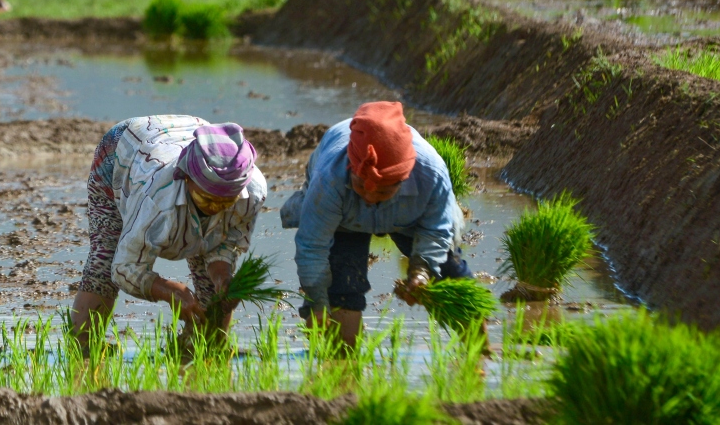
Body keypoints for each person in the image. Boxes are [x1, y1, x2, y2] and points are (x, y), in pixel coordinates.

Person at [70, 115, 267, 353]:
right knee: (106, 255)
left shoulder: (252, 190)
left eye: (225, 202)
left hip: (190, 135)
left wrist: (221, 275)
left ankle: (195, 351)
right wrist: (170, 291)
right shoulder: (157, 197)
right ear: (186, 177)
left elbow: (224, 243)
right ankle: (82, 346)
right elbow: (124, 268)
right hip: (124, 149)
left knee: (215, 300)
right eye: (207, 199)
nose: (215, 209)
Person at [283, 101, 471, 347]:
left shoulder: (430, 174)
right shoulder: (330, 178)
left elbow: (436, 230)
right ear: (352, 168)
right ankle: (341, 369)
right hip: (345, 221)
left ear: (402, 179)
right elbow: (312, 245)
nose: (370, 198)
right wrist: (317, 301)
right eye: (361, 186)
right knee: (340, 292)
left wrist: (421, 271)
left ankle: (480, 354)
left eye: (382, 192)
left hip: (408, 216)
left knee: (451, 275)